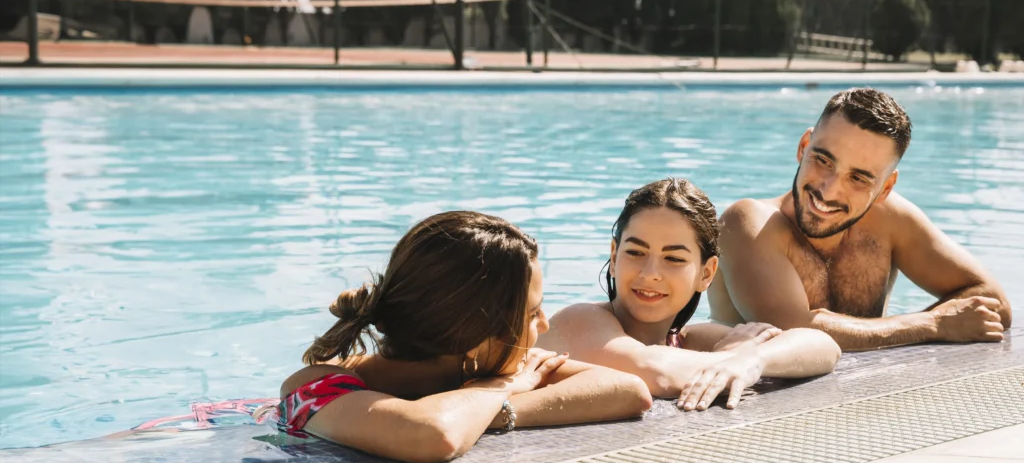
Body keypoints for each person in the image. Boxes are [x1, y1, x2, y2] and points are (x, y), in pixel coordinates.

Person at [275, 211, 652, 463]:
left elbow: (629, 390)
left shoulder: (484, 369)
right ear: (476, 338)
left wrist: (495, 406)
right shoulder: (316, 386)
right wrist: (503, 387)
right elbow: (434, 435)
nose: (545, 325)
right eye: (532, 312)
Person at [709, 87, 1012, 351]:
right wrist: (933, 324)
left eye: (858, 178)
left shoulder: (890, 220)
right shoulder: (747, 224)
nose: (828, 190)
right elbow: (793, 332)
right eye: (823, 160)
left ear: (885, 188)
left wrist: (943, 323)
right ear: (804, 147)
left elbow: (992, 302)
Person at [538, 179, 841, 412]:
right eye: (635, 252)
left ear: (706, 273)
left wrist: (754, 359)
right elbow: (654, 372)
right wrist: (731, 357)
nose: (650, 273)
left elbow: (824, 347)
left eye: (674, 259)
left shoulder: (689, 341)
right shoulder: (580, 321)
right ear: (614, 257)